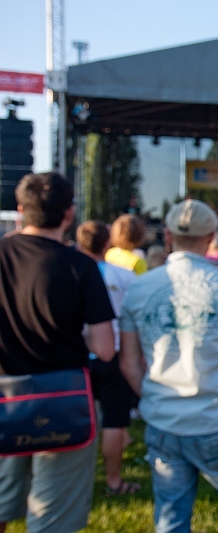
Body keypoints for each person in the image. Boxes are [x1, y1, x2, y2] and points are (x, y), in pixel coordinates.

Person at [119, 200, 218, 533]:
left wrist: (156, 395)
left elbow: (130, 365)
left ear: (167, 235)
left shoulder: (139, 288)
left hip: (164, 421)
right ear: (211, 237)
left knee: (171, 518)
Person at [0, 172, 115, 533]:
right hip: (64, 399)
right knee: (53, 517)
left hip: (4, 394)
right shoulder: (81, 267)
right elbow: (105, 349)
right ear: (69, 214)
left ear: (21, 211)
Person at [76, 220, 140, 495]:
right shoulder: (125, 276)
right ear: (107, 244)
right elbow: (135, 317)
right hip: (115, 352)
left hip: (79, 356)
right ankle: (113, 480)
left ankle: (79, 481)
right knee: (114, 419)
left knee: (80, 419)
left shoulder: (69, 273)